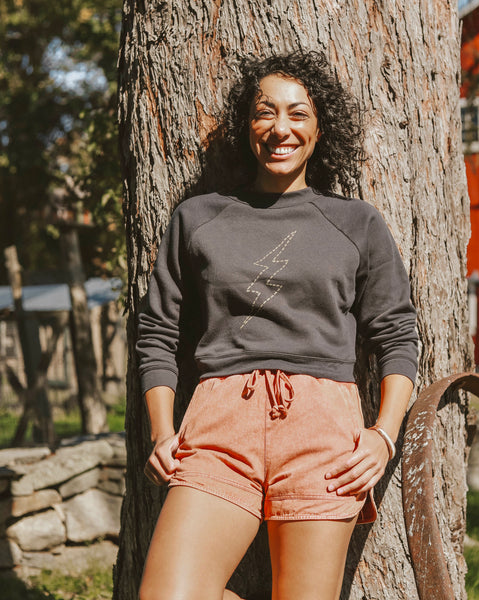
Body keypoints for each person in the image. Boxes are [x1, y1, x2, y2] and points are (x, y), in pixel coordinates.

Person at [136, 50, 419, 600]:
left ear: (318, 128)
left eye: (298, 114)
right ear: (248, 125)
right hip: (218, 429)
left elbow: (397, 335)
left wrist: (383, 437)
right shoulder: (197, 217)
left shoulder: (356, 222)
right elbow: (158, 332)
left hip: (323, 433)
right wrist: (162, 431)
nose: (281, 128)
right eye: (266, 113)